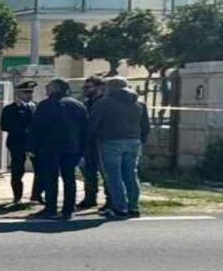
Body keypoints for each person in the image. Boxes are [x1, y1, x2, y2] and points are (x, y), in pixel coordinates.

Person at [90, 76, 151, 220]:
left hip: (110, 140)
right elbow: (145, 126)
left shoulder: (104, 102)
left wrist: (91, 139)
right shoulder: (139, 103)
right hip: (134, 140)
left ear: (109, 88)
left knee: (114, 176)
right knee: (131, 175)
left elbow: (93, 123)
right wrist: (140, 139)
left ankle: (119, 207)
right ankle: (133, 207)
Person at [28, 78, 87, 220]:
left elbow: (37, 128)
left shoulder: (46, 105)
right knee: (69, 178)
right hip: (71, 147)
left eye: (48, 86)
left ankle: (51, 208)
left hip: (49, 147)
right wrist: (82, 148)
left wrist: (32, 146)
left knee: (50, 178)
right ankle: (68, 209)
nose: (46, 89)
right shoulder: (78, 105)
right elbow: (85, 129)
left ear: (56, 88)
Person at [0, 81, 39, 204]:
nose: (29, 95)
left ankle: (36, 195)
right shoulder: (10, 109)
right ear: (18, 93)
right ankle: (17, 196)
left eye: (30, 92)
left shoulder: (36, 107)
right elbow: (4, 126)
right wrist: (23, 129)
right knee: (17, 170)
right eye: (26, 92)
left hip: (34, 143)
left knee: (40, 169)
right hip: (17, 142)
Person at [78, 75, 107, 209]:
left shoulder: (104, 103)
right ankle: (90, 198)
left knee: (105, 173)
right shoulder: (86, 103)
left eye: (88, 87)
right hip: (88, 142)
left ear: (100, 87)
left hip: (102, 141)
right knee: (88, 172)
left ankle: (110, 200)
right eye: (84, 87)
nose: (85, 90)